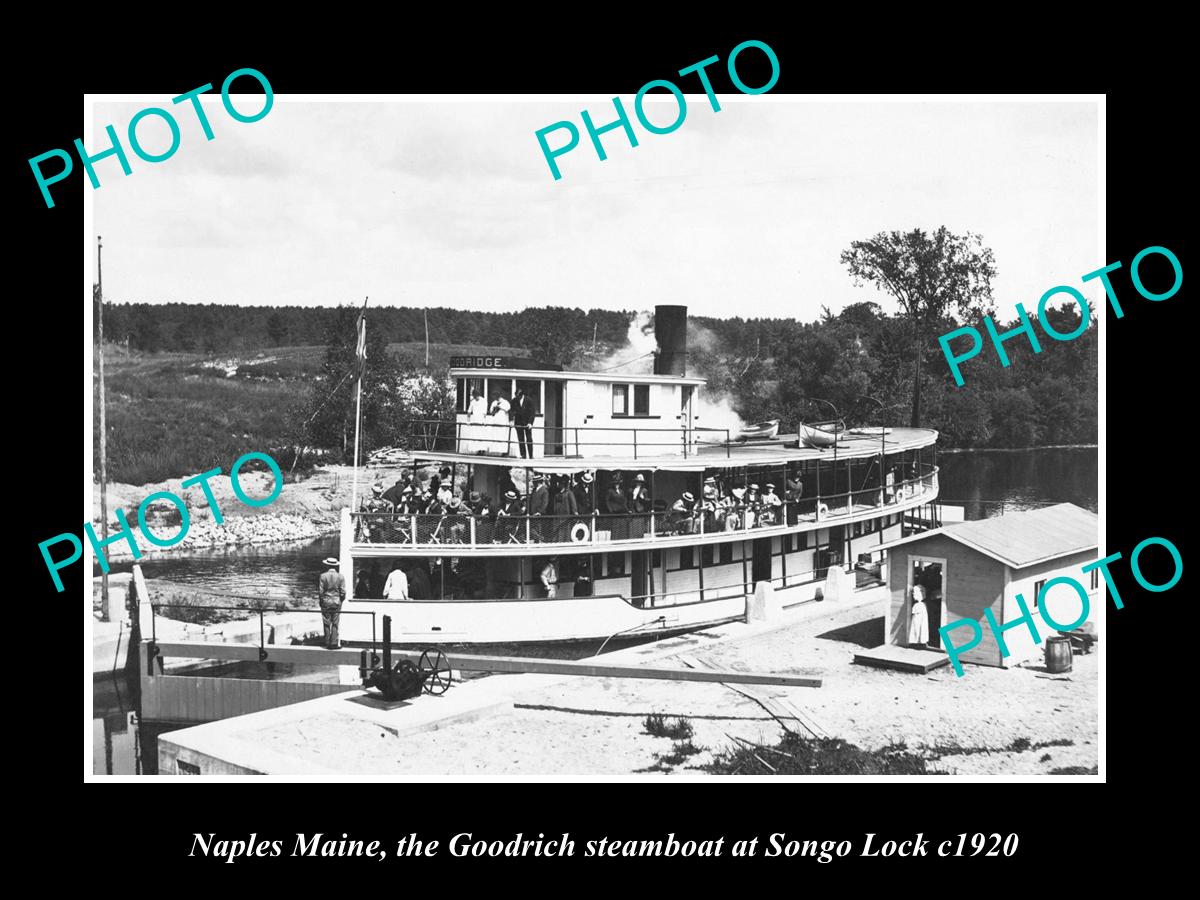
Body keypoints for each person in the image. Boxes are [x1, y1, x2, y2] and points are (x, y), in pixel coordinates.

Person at [317, 557, 346, 649]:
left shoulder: (323, 576)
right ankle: (333, 643)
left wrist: (321, 601)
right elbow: (343, 592)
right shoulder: (340, 576)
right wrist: (341, 600)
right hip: (337, 601)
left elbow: (321, 591)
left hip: (326, 601)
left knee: (326, 622)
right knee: (335, 622)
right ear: (336, 566)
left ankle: (326, 641)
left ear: (327, 565)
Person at [512, 387, 536, 458]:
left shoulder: (529, 400)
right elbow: (511, 411)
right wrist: (511, 420)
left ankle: (531, 456)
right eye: (516, 396)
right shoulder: (514, 400)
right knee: (521, 439)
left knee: (529, 439)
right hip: (518, 423)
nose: (517, 398)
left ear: (522, 395)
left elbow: (532, 412)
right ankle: (523, 455)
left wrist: (530, 423)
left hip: (527, 423)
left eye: (518, 396)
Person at [464, 387, 488, 453]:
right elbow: (469, 411)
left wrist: (484, 421)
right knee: (475, 436)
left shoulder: (483, 401)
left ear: (477, 395)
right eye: (473, 396)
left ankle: (482, 450)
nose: (474, 397)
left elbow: (484, 412)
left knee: (481, 436)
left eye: (475, 395)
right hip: (474, 421)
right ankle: (477, 450)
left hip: (481, 421)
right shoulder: (473, 402)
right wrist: (468, 421)